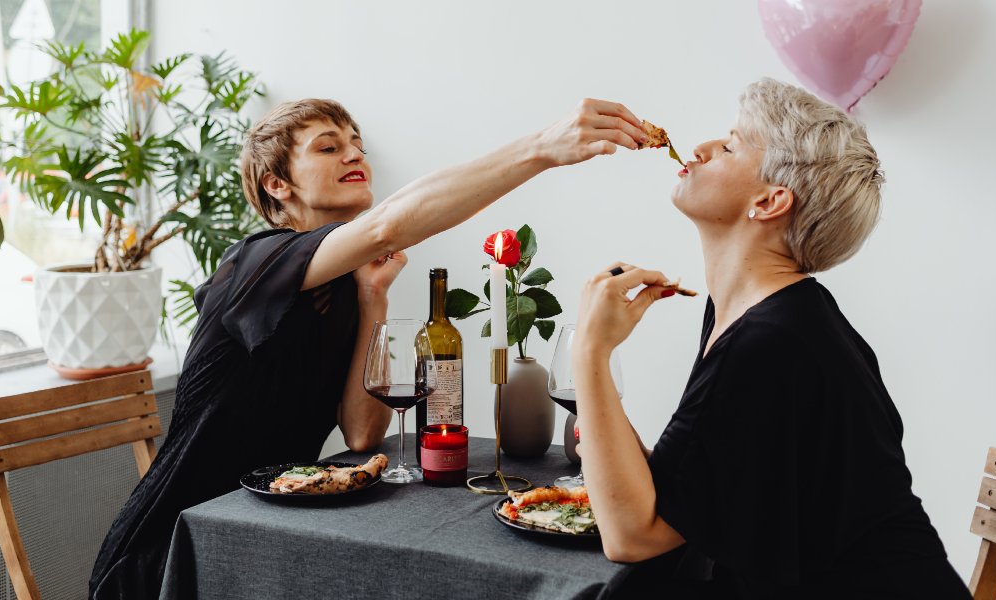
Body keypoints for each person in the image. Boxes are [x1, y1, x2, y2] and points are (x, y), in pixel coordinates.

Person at [89, 97, 651, 598]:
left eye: (356, 144)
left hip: (272, 534)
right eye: (328, 147)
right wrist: (540, 148)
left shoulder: (340, 284)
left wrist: (373, 299)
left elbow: (361, 435)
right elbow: (387, 225)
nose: (353, 155)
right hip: (177, 549)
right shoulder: (256, 261)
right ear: (276, 184)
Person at [572, 79, 971, 598]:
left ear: (769, 201)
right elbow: (676, 501)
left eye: (732, 145)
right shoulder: (764, 316)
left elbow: (633, 537)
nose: (702, 148)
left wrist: (590, 352)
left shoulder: (771, 343)